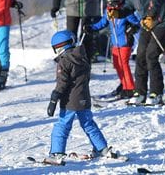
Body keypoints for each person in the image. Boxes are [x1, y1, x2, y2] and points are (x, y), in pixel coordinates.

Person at [46, 30, 122, 163]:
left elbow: (62, 83)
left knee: (62, 125)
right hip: (84, 98)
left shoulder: (64, 61)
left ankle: (56, 154)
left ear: (59, 47)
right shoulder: (82, 57)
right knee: (88, 124)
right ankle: (102, 149)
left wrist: (54, 97)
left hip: (70, 101)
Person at [109, 0, 165, 105]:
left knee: (151, 55)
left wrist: (151, 16)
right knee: (140, 55)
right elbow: (130, 6)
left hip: (161, 20)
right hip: (147, 21)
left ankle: (156, 93)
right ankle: (140, 92)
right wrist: (118, 12)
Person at [86, 0, 141, 99]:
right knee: (117, 65)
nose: (112, 6)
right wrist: (91, 28)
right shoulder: (108, 11)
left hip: (125, 42)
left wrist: (132, 29)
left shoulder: (125, 12)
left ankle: (130, 88)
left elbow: (137, 23)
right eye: (109, 4)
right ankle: (124, 84)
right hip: (115, 43)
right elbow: (102, 23)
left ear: (119, 1)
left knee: (123, 65)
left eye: (114, 4)